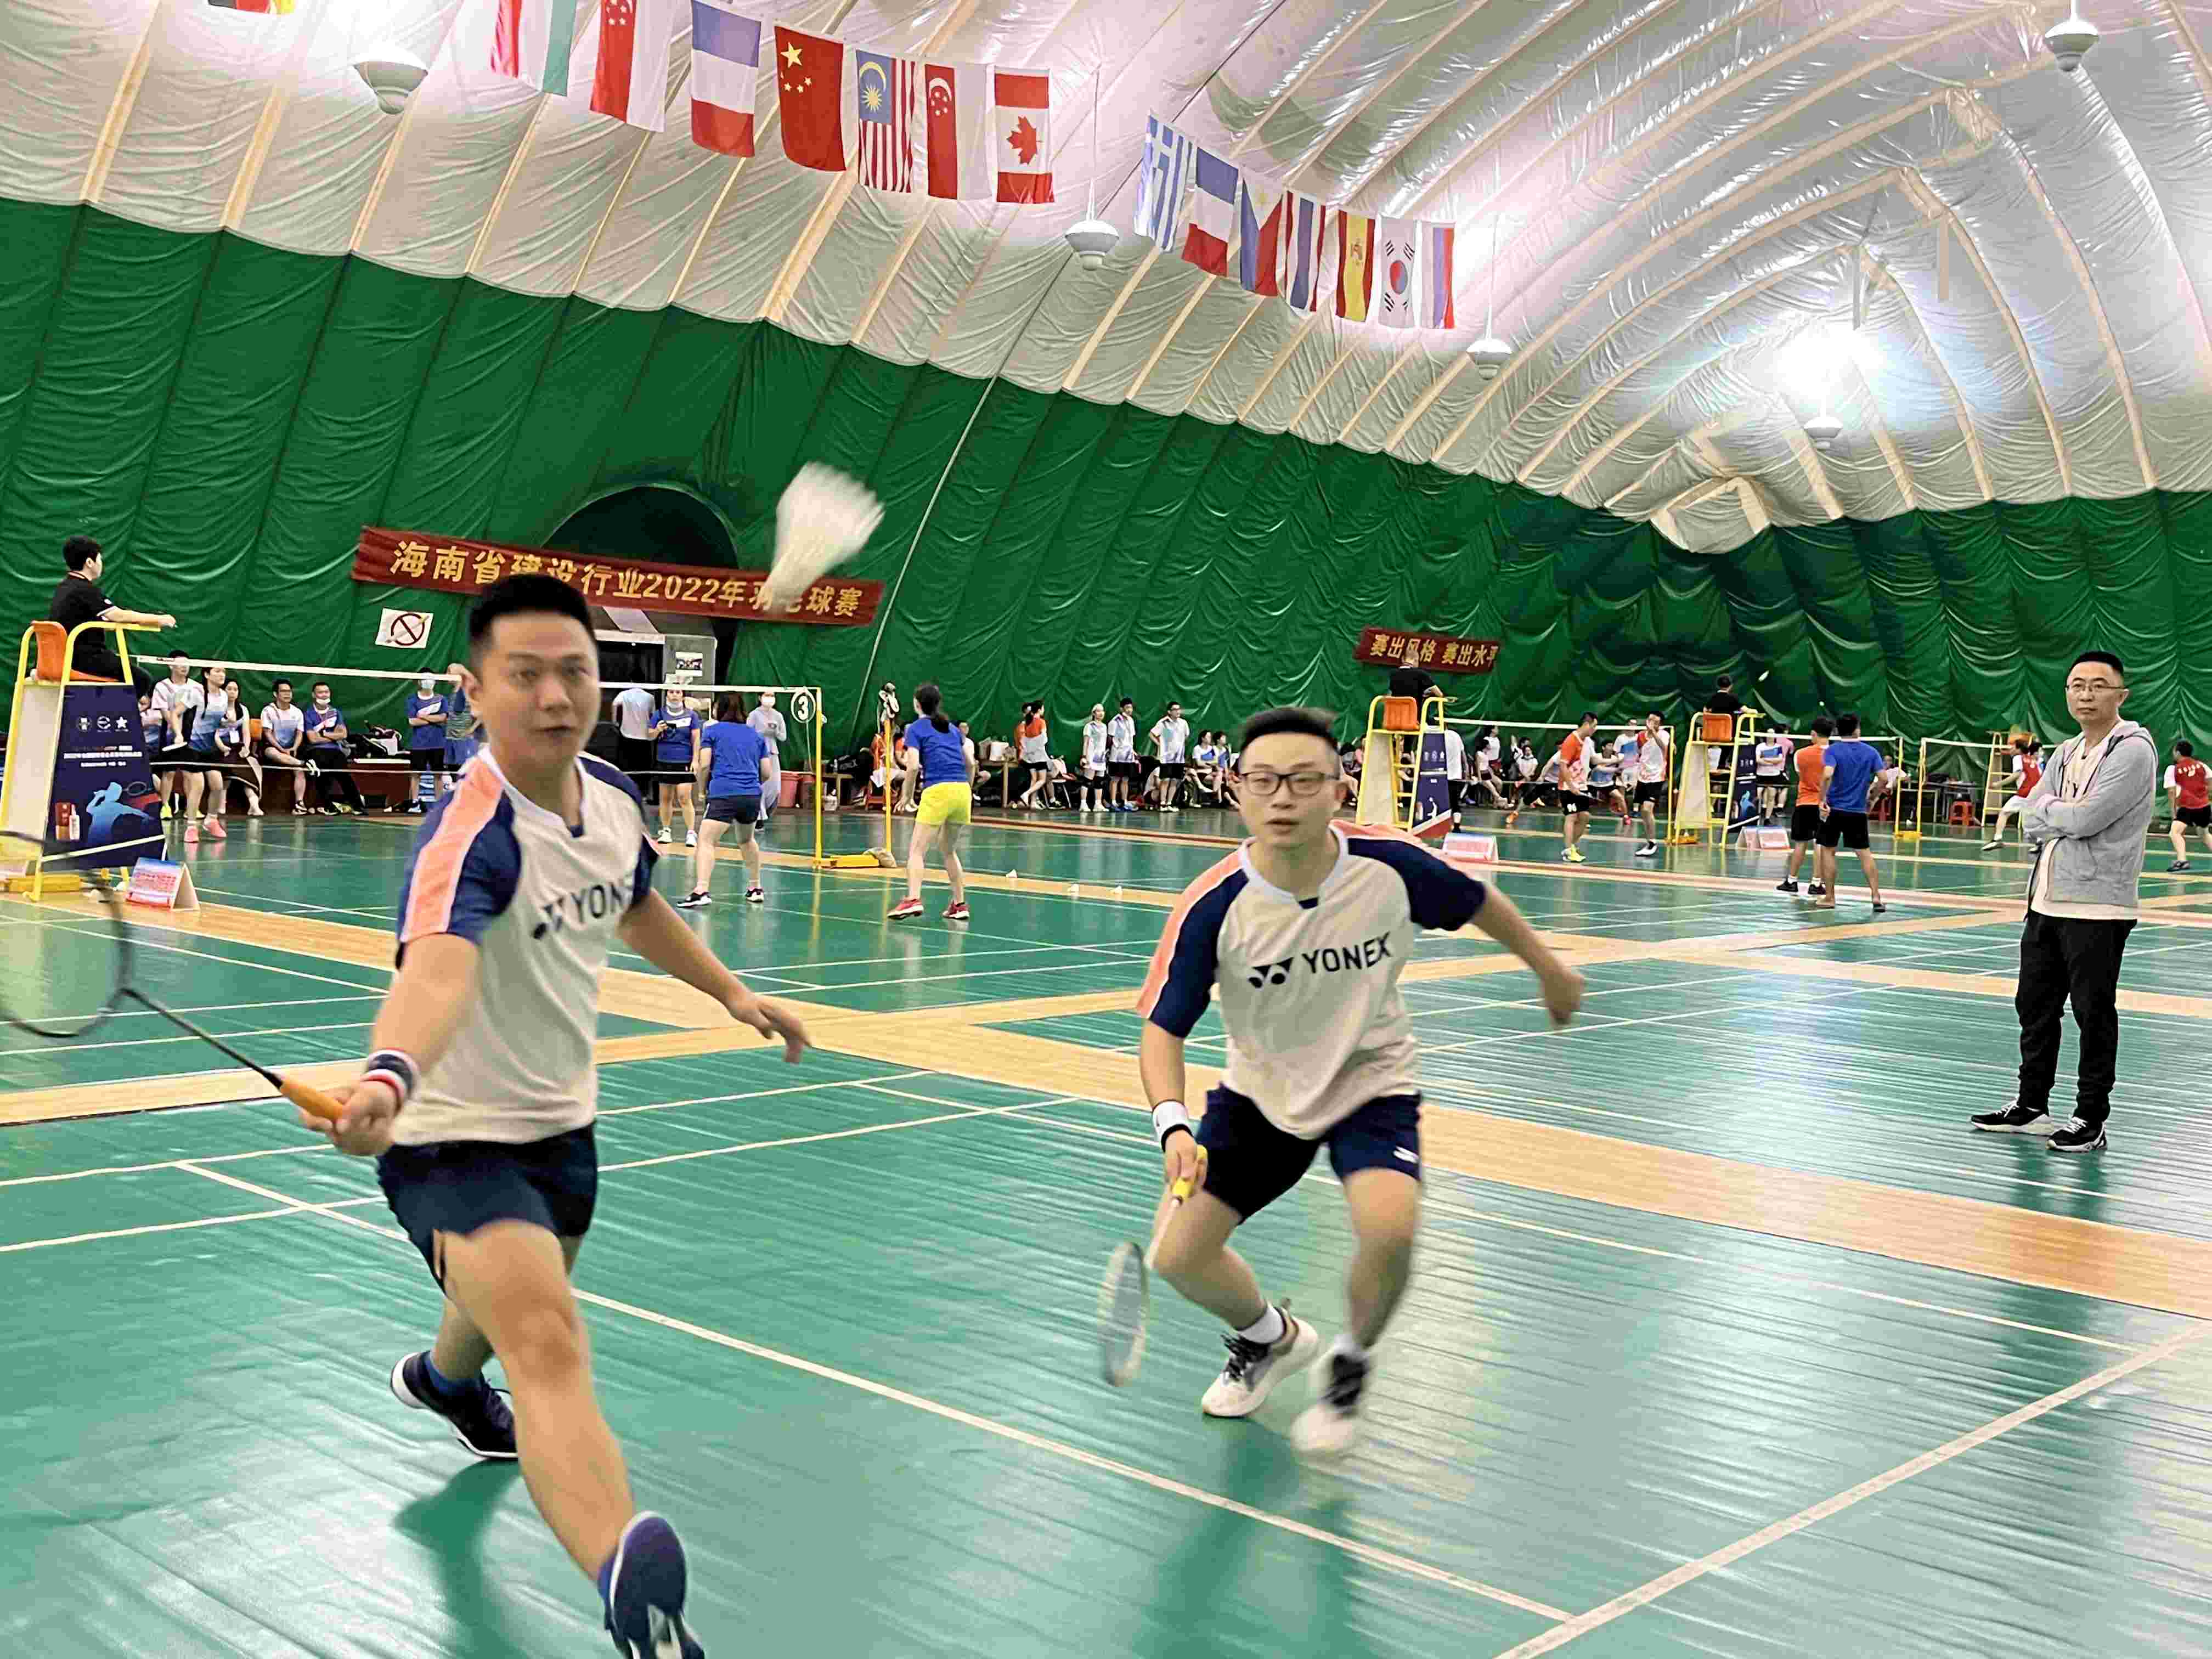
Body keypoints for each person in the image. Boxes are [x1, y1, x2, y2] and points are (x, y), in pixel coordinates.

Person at [298, 575, 809, 1659]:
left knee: (504, 1316)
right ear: (473, 690)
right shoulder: (468, 833)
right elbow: (435, 972)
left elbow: (636, 902)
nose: (553, 695)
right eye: (523, 674)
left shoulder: (613, 796)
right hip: (447, 1135)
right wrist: (386, 1079)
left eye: (574, 671)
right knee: (546, 1339)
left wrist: (731, 992)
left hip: (563, 1128)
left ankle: (441, 1382)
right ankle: (631, 1590)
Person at [1138, 706, 1583, 1458]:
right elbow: (1163, 1030)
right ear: (1236, 791)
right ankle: (1272, 1339)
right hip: (1261, 1096)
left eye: (1304, 780)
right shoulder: (1213, 905)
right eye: (1264, 780)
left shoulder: (1389, 864)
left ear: (1339, 790)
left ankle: (1352, 1360)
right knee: (1178, 1258)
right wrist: (1173, 1125)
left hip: (1371, 1080)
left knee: (1390, 1230)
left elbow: (1478, 903)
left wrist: (1550, 970)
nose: (1283, 797)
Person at [1970, 651, 2157, 1154]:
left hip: (2098, 905)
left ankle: (2091, 1117)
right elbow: (2034, 822)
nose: (2086, 695)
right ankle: (2031, 1104)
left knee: (2093, 1013)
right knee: (2034, 1005)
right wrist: (2054, 812)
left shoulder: (2133, 750)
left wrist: (2051, 810)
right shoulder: (2066, 750)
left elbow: (2086, 819)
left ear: (2121, 694)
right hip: (2046, 898)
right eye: (2077, 685)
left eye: (2098, 685)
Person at [47, 534, 174, 695]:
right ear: (89, 562)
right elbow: (118, 615)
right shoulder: (85, 589)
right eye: (100, 559)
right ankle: (115, 711)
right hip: (85, 658)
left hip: (63, 656)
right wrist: (159, 619)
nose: (101, 564)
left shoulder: (64, 587)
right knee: (141, 679)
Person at [889, 683, 970, 922]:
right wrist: (967, 786)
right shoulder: (953, 730)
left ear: (917, 704)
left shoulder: (915, 729)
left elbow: (913, 766)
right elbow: (971, 763)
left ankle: (913, 899)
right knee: (948, 850)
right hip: (962, 791)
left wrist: (906, 796)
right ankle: (959, 904)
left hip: (938, 791)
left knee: (917, 851)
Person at [681, 697, 770, 909]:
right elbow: (766, 772)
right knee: (747, 840)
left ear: (718, 710)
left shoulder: (712, 731)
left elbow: (704, 765)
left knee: (706, 841)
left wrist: (702, 791)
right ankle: (756, 888)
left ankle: (701, 890)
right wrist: (750, 785)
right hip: (751, 796)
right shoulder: (756, 736)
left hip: (724, 794)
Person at [1814, 713, 1886, 913]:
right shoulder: (1871, 752)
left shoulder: (1833, 751)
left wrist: (1821, 799)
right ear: (1857, 730)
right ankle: (1876, 896)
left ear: (1838, 731)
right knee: (1864, 853)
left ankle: (1830, 897)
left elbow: (1827, 774)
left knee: (1828, 850)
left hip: (1834, 810)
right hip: (1857, 811)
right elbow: (1883, 779)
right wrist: (1873, 797)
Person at [1777, 716, 1832, 896]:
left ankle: (1791, 881)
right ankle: (1816, 884)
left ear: (1814, 734)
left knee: (1800, 843)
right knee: (1820, 844)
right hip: (1824, 805)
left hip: (1804, 803)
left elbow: (1801, 774)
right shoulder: (1835, 755)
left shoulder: (1800, 754)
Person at [150, 651, 204, 820]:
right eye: (180, 663)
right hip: (169, 735)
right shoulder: (161, 687)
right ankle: (165, 806)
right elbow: (166, 713)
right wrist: (176, 732)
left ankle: (190, 808)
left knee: (189, 772)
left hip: (192, 736)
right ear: (170, 665)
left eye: (187, 663)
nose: (184, 667)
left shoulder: (197, 687)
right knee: (169, 772)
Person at [302, 681, 364, 815]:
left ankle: (358, 806)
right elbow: (313, 739)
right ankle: (327, 806)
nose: (324, 695)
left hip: (335, 750)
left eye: (326, 692)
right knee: (322, 775)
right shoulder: (308, 714)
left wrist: (324, 734)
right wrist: (333, 736)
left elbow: (343, 734)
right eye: (320, 692)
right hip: (315, 750)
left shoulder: (335, 713)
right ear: (314, 695)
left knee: (345, 776)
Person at [650, 691, 700, 848]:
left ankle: (691, 833)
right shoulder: (659, 714)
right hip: (664, 760)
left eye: (678, 692)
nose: (674, 695)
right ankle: (666, 831)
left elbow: (696, 739)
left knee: (684, 797)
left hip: (684, 760)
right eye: (671, 692)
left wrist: (695, 760)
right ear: (667, 696)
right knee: (665, 798)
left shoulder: (692, 715)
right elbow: (649, 735)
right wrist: (657, 730)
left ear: (682, 696)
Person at [259, 678, 312, 815]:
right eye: (283, 691)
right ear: (276, 694)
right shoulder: (268, 710)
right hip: (273, 748)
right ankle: (303, 763)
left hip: (292, 750)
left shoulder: (297, 712)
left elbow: (300, 733)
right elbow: (268, 733)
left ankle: (299, 804)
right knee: (272, 752)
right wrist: (281, 749)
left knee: (299, 771)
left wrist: (294, 748)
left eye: (289, 691)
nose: (287, 694)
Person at [400, 674, 449, 814]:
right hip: (419, 744)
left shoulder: (441, 699)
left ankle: (439, 805)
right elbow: (413, 721)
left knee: (438, 775)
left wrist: (423, 716)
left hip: (438, 743)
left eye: (430, 678)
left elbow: (443, 718)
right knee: (416, 774)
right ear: (419, 682)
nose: (428, 681)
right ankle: (415, 803)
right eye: (424, 679)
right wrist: (434, 719)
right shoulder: (412, 700)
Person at [1982, 738, 2043, 851]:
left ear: (2019, 749)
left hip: (2025, 793)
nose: (2011, 749)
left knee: (2004, 813)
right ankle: (2040, 842)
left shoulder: (2018, 758)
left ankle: (1997, 840)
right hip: (2036, 794)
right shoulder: (2033, 760)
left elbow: (2017, 774)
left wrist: (1998, 784)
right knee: (2029, 823)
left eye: (2013, 747)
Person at [1629, 713, 1671, 856]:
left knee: (1647, 809)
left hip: (1656, 777)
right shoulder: (1641, 735)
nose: (1652, 722)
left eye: (1656, 721)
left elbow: (1663, 747)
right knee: (1643, 811)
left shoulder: (1664, 735)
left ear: (1660, 724)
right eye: (1650, 720)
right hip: (1643, 776)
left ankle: (1652, 843)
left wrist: (1654, 732)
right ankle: (1649, 841)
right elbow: (1640, 752)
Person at [2167, 741, 2211, 872]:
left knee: (2175, 832)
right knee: (2204, 834)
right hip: (2204, 806)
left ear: (2178, 753)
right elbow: (2210, 783)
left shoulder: (2173, 769)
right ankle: (2182, 861)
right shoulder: (2202, 766)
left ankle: (2182, 861)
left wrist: (2173, 812)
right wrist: (2203, 795)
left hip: (2187, 807)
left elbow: (2171, 791)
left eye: (2174, 751)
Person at [747, 691, 787, 828]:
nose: (770, 698)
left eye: (772, 696)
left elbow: (783, 737)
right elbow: (748, 733)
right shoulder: (754, 714)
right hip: (757, 754)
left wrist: (775, 732)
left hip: (773, 753)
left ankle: (767, 811)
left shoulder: (778, 716)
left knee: (775, 787)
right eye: (767, 695)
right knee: (759, 785)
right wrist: (762, 732)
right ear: (760, 698)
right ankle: (758, 818)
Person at [611, 681, 658, 796]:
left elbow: (614, 704)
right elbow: (653, 715)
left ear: (631, 681)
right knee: (643, 767)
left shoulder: (624, 694)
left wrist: (614, 721)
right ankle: (643, 793)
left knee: (627, 765)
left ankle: (626, 791)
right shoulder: (650, 697)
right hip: (644, 736)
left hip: (627, 734)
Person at [442, 662, 481, 784]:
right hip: (450, 737)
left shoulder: (467, 692)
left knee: (464, 773)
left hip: (462, 739)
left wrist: (472, 729)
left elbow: (483, 712)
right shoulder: (453, 692)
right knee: (451, 770)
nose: (446, 675)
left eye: (449, 672)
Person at [1150, 702, 1192, 813]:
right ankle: (1162, 804)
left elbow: (1186, 736)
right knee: (1166, 780)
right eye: (1175, 709)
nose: (1178, 711)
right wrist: (1160, 744)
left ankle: (1169, 803)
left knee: (1175, 781)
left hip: (1179, 758)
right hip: (1166, 758)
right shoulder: (1163, 723)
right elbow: (1152, 734)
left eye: (1179, 709)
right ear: (1169, 711)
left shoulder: (1183, 723)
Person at [1012, 702, 1049, 809]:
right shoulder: (1041, 722)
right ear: (1039, 710)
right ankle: (1026, 794)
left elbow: (1024, 741)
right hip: (1039, 755)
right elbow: (1044, 739)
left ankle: (1033, 802)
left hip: (1030, 756)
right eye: (1043, 708)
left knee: (1034, 779)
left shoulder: (1028, 724)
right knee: (1042, 780)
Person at [1107, 698, 1139, 814]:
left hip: (1128, 756)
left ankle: (1125, 802)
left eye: (1131, 707)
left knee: (1126, 779)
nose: (1130, 710)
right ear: (1121, 709)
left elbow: (1131, 739)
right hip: (1117, 756)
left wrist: (1133, 751)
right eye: (1127, 708)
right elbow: (1110, 738)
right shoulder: (1114, 722)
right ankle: (1113, 802)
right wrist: (1112, 750)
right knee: (1115, 779)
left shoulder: (1131, 721)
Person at [1752, 729, 1791, 823]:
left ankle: (1767, 819)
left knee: (1771, 797)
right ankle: (1753, 816)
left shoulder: (1778, 747)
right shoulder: (1760, 746)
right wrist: (1772, 761)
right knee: (1756, 796)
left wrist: (1765, 759)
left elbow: (1779, 759)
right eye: (1769, 734)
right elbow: (1758, 760)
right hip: (1761, 775)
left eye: (1772, 734)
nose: (1770, 736)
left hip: (1774, 775)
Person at [1079, 704, 1109, 811]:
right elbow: (1086, 743)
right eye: (1098, 711)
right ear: (1094, 713)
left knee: (1099, 781)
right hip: (1091, 758)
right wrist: (1084, 757)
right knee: (1087, 780)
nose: (1101, 713)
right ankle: (1083, 804)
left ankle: (1098, 804)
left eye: (1102, 711)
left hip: (1101, 758)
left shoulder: (1105, 727)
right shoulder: (1089, 726)